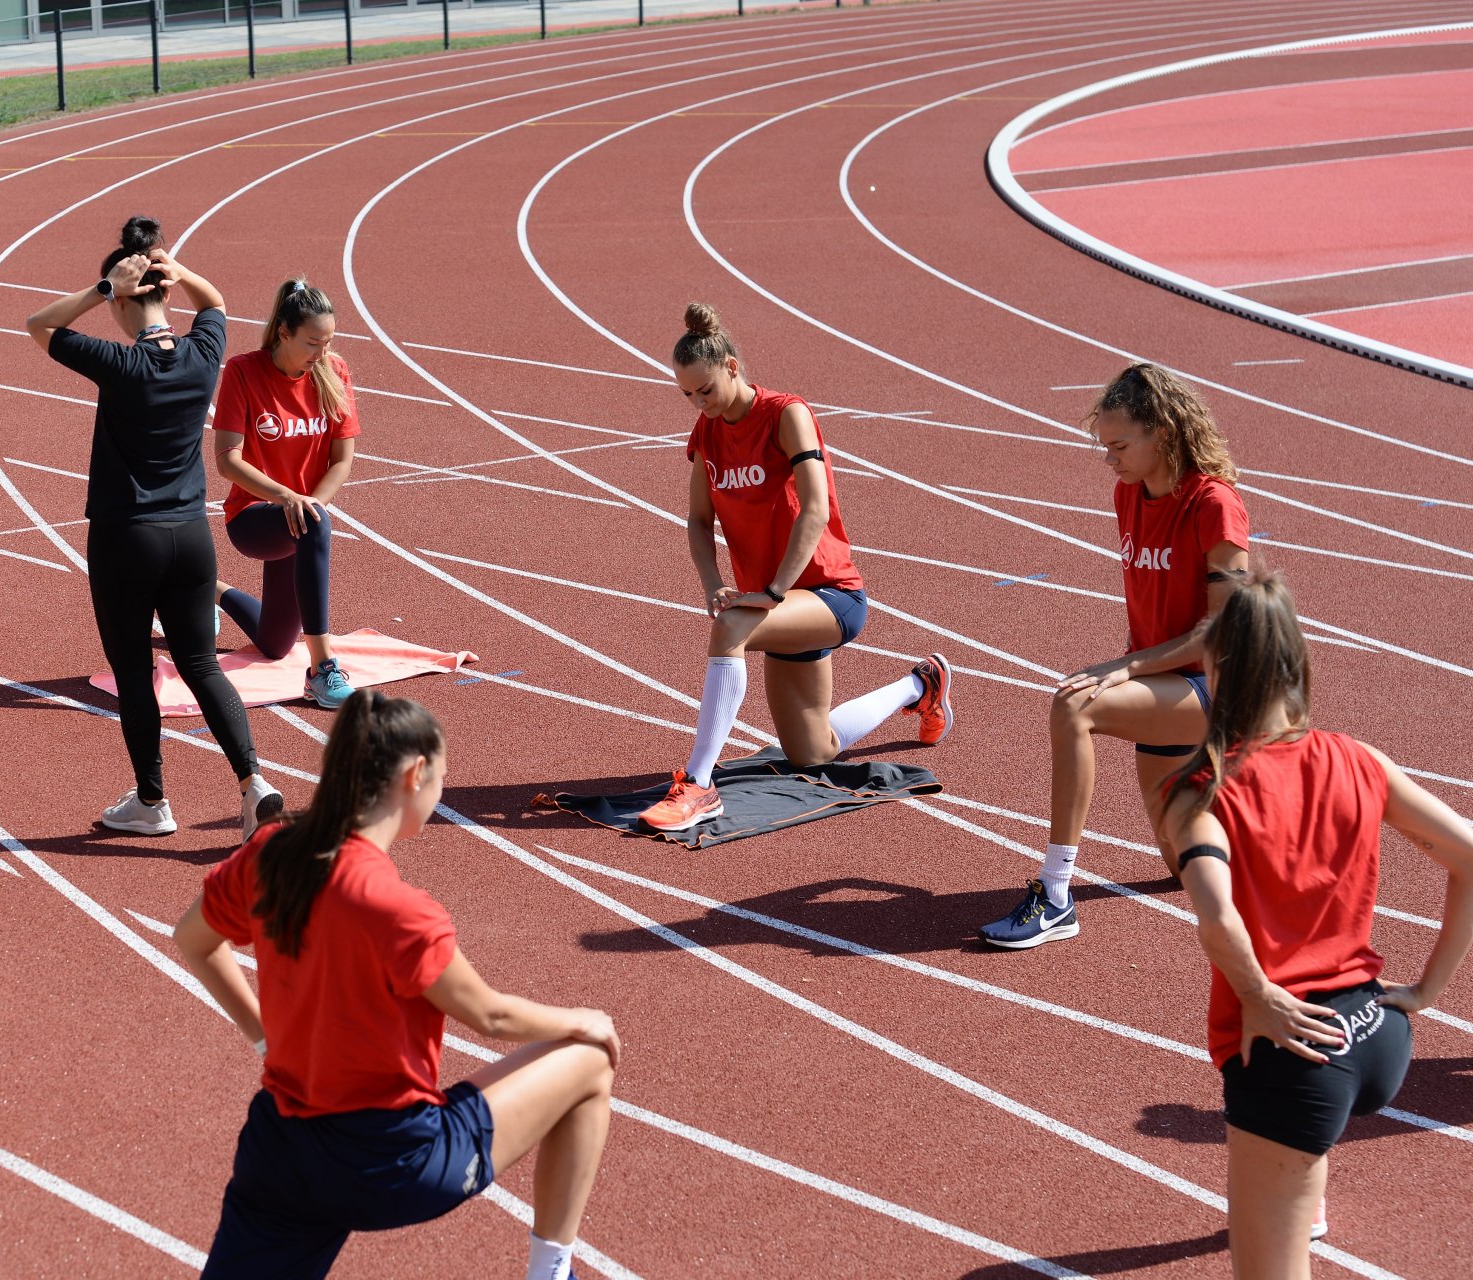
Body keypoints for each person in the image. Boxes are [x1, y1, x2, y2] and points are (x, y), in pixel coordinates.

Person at [174, 691, 617, 1280]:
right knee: (588, 1062)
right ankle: (551, 1273)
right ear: (414, 775)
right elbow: (492, 1017)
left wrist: (265, 1039)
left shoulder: (269, 854)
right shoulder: (401, 910)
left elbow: (192, 941)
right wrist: (586, 1021)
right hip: (388, 1161)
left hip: (282, 1155)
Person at [1159, 571, 1473, 1277]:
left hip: (1292, 1051)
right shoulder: (1359, 759)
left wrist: (1257, 994)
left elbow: (1217, 918)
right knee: (1298, 1171)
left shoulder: (1204, 792)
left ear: (1221, 672)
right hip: (1377, 1034)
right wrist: (1427, 994)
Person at [641, 303, 952, 833]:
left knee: (731, 627)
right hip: (781, 607)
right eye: (687, 394)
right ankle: (921, 685)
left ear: (733, 367)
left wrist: (773, 590)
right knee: (812, 754)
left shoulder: (788, 414)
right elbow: (697, 521)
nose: (699, 403)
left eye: (706, 390)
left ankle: (699, 785)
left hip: (830, 596)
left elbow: (814, 507)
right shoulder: (707, 433)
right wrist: (714, 583)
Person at [27, 215, 282, 841]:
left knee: (135, 671)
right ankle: (254, 783)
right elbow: (215, 302)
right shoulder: (203, 353)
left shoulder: (118, 362)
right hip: (190, 535)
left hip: (125, 536)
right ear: (168, 292)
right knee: (201, 663)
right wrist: (179, 269)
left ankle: (152, 801)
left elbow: (41, 326)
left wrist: (100, 289)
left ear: (122, 302)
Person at [981, 363, 1249, 949]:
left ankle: (1054, 895)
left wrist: (1127, 666)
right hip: (1164, 687)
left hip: (1212, 690)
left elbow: (1222, 631)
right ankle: (1261, 839)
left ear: (1167, 435)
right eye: (1105, 446)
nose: (1110, 460)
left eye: (1121, 445)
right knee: (1189, 867)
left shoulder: (1214, 504)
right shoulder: (1128, 494)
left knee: (1074, 705)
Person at [213, 278, 361, 710]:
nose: (323, 352)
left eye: (330, 341)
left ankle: (205, 588)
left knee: (276, 645)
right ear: (283, 332)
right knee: (316, 522)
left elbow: (341, 461)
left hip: (302, 518)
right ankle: (322, 669)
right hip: (256, 516)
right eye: (314, 342)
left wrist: (310, 502)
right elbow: (227, 460)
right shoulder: (243, 371)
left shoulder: (335, 372)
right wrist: (287, 497)